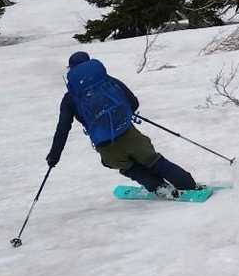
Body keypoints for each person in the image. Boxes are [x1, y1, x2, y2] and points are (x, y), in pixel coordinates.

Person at [47, 50, 200, 197]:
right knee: (154, 161)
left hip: (105, 145)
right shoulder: (109, 82)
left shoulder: (70, 99)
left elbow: (62, 129)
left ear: (71, 70)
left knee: (129, 167)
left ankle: (160, 187)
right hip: (129, 134)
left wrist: (54, 157)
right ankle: (189, 185)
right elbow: (133, 102)